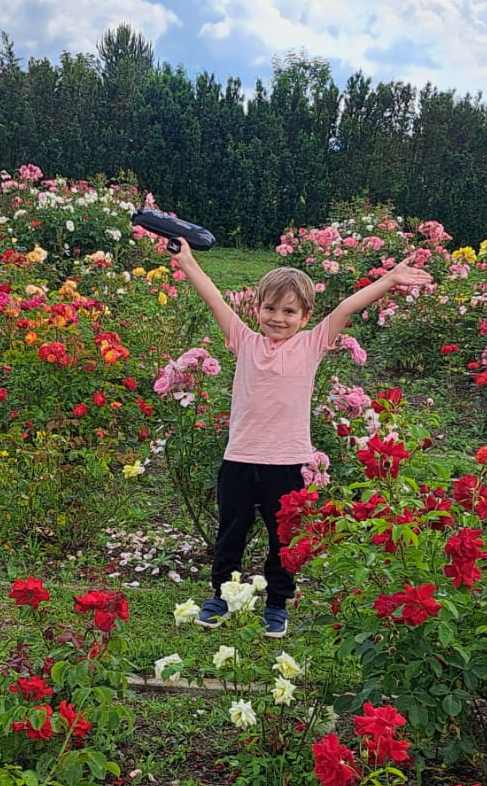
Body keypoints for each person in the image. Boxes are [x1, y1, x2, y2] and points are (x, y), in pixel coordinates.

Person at [172, 243, 435, 638]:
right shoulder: (243, 341)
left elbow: (347, 306)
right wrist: (186, 260)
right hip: (240, 459)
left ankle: (277, 603)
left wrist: (390, 279)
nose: (278, 318)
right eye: (271, 309)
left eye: (289, 311)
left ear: (306, 316)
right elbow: (212, 296)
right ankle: (221, 596)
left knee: (285, 539)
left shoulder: (311, 345)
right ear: (256, 308)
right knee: (231, 531)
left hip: (288, 462)